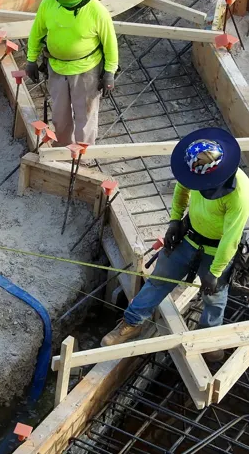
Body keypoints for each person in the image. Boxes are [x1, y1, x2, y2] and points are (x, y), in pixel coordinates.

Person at [101, 127, 249, 362]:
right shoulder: (195, 172)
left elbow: (231, 237)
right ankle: (132, 323)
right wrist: (175, 222)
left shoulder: (239, 192)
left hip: (217, 249)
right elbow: (182, 189)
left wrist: (216, 271)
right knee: (159, 278)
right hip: (190, 235)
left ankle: (209, 340)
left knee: (214, 296)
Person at [25, 0, 118, 147]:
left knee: (85, 117)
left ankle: (82, 156)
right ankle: (62, 150)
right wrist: (31, 60)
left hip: (86, 71)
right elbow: (37, 32)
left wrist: (109, 73)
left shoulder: (97, 12)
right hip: (57, 68)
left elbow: (110, 44)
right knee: (60, 116)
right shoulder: (49, 2)